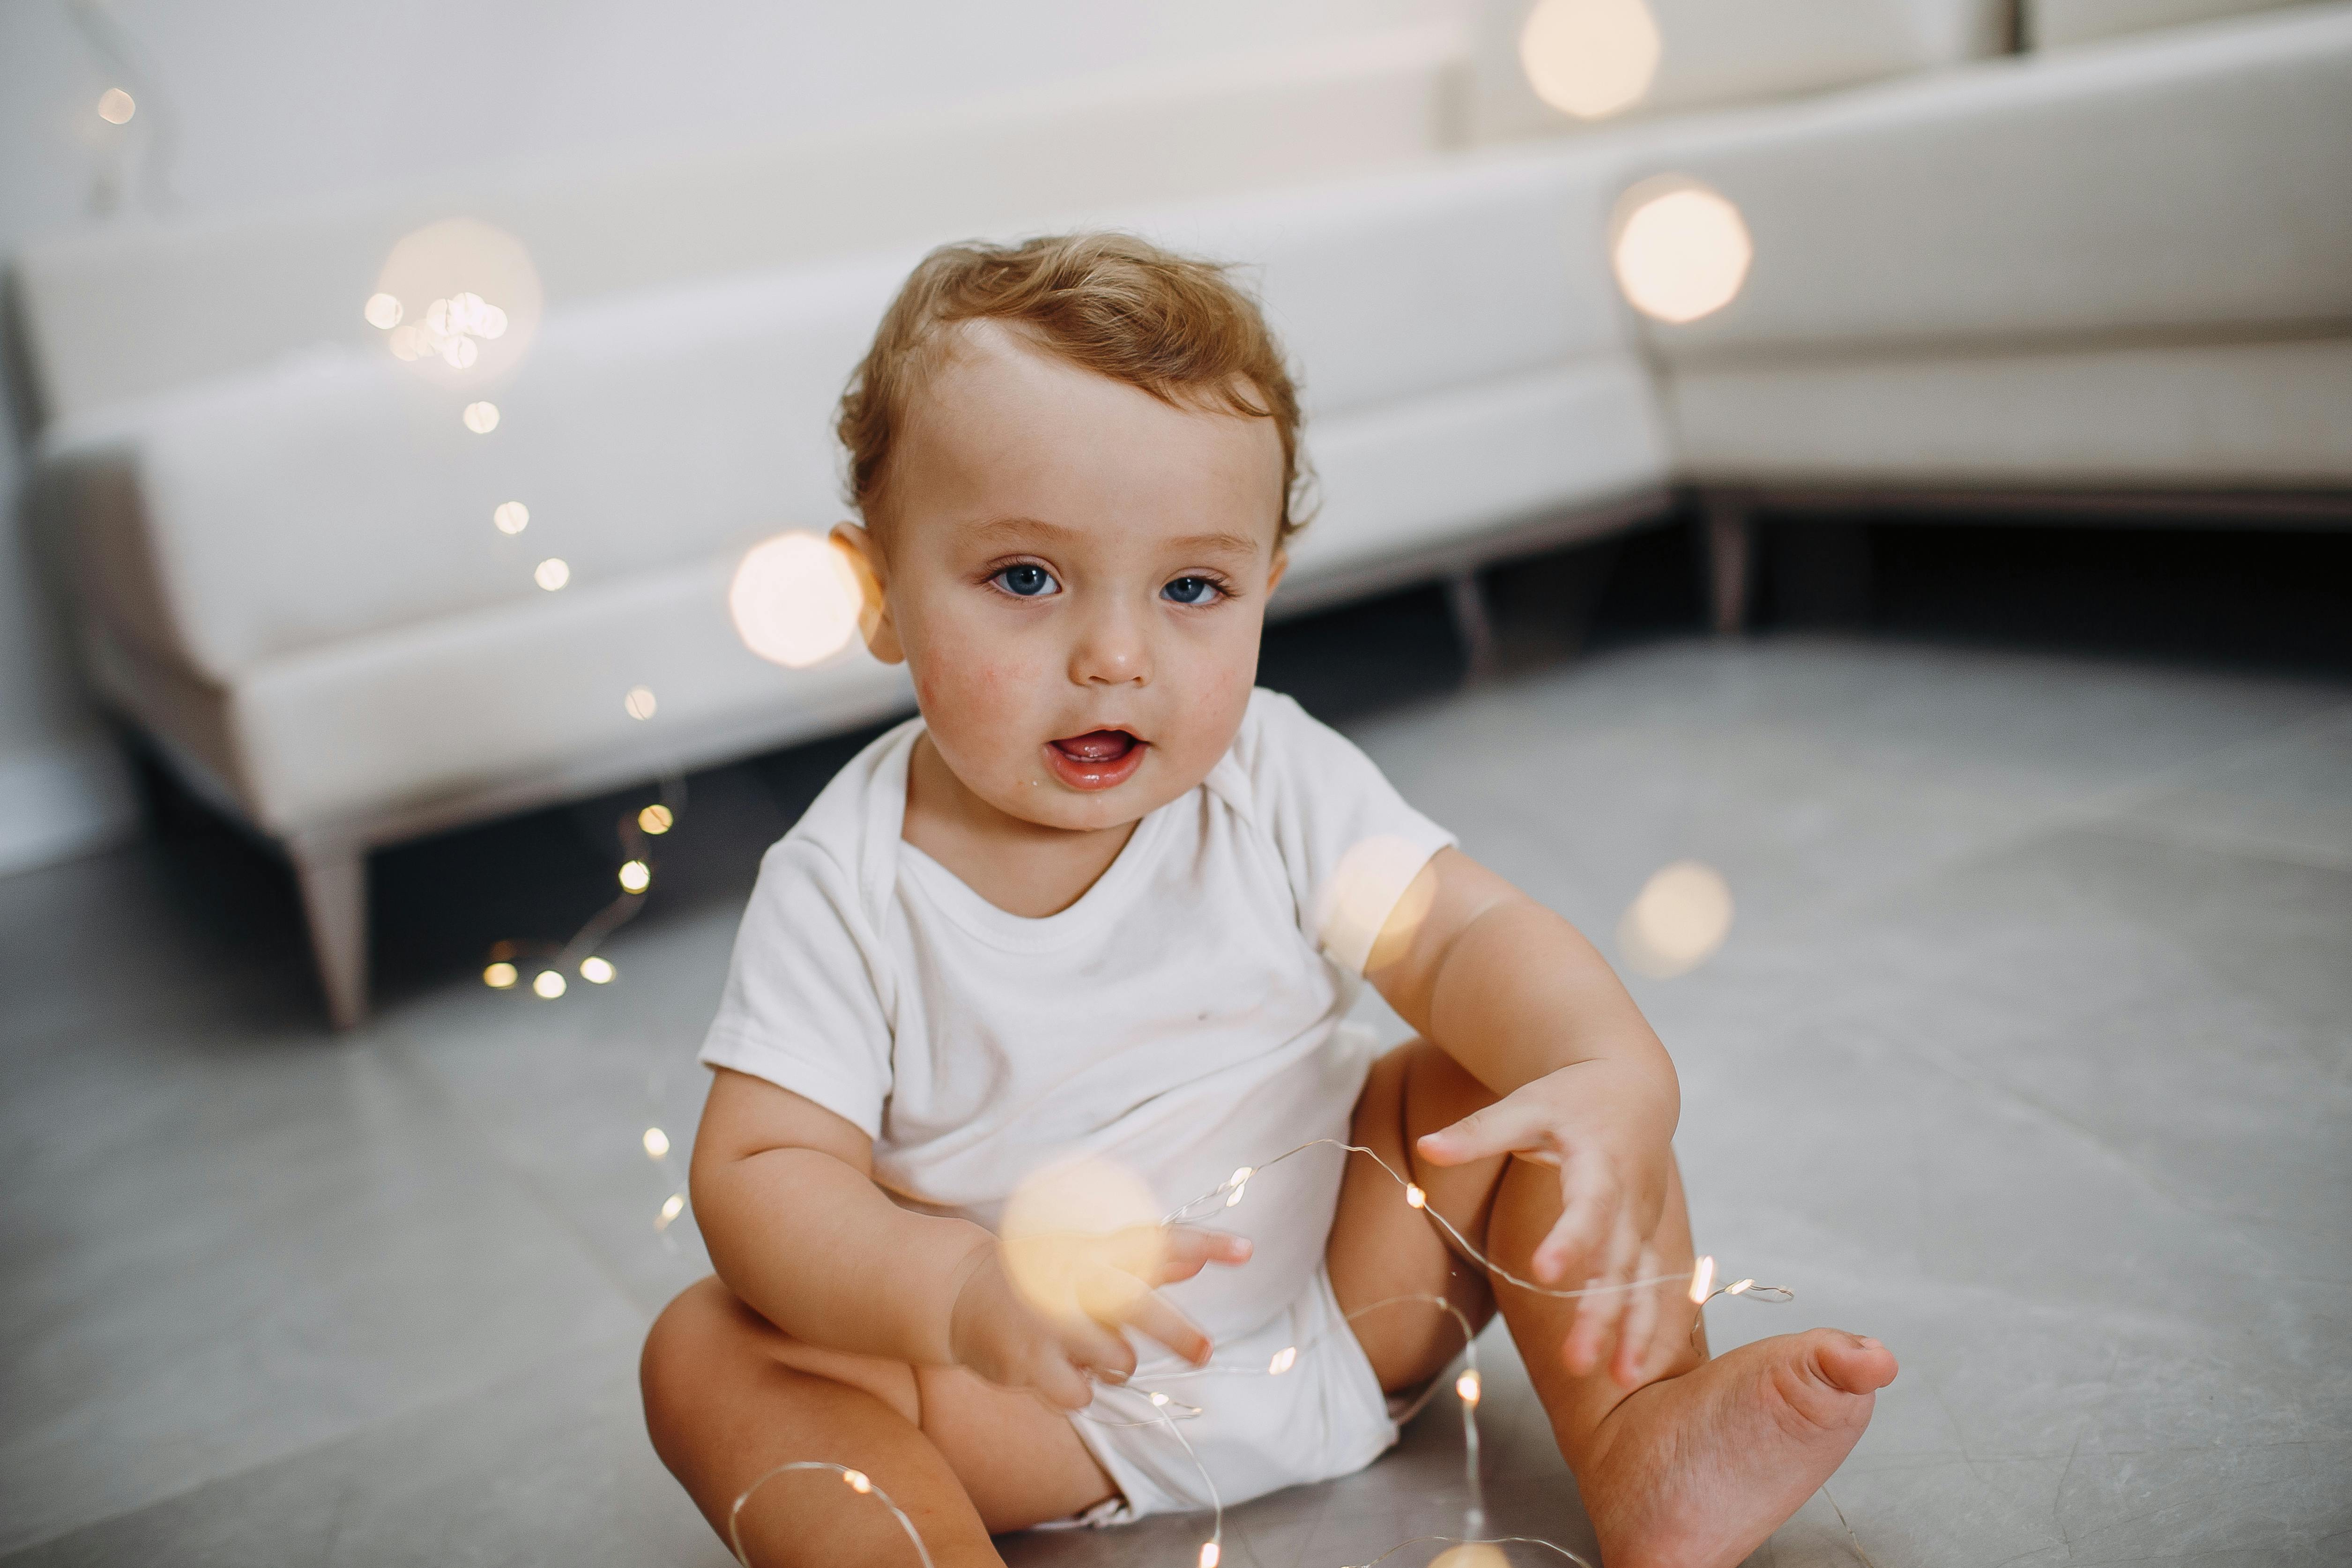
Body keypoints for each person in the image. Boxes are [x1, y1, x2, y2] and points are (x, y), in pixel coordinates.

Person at [641, 232, 1896, 1568]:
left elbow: (1462, 933)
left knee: (1502, 1091)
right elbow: (764, 1173)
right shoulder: (845, 885)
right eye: (1025, 578)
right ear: (877, 592)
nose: (1115, 656)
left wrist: (1608, 1064)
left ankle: (1644, 1438)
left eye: (1191, 587)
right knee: (710, 1350)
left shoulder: (1270, 774)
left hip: (1349, 1306)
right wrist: (952, 1294)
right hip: (1035, 1397)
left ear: (1263, 590)